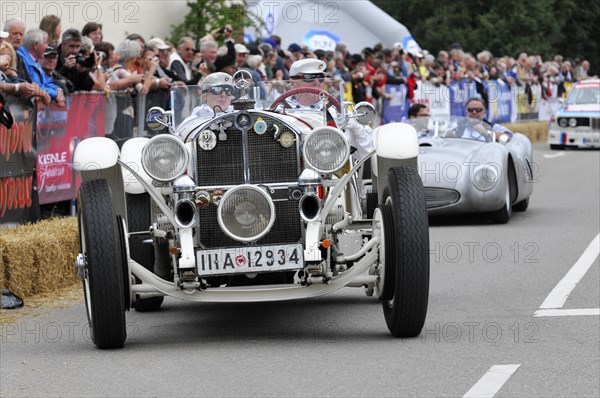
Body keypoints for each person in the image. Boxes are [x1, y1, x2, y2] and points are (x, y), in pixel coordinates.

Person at [288, 58, 374, 160]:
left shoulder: (336, 113)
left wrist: (357, 128)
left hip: (329, 172)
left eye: (320, 77)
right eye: (309, 77)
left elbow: (365, 156)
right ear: (293, 82)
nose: (316, 82)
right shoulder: (278, 111)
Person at [177, 72, 235, 139]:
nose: (224, 94)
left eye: (229, 90)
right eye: (217, 89)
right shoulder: (191, 123)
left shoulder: (240, 119)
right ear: (205, 96)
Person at [444, 97, 512, 142]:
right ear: (466, 112)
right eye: (470, 110)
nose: (474, 112)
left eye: (478, 110)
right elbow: (443, 137)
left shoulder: (491, 126)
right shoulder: (457, 125)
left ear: (484, 112)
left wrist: (486, 132)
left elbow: (508, 137)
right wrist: (450, 136)